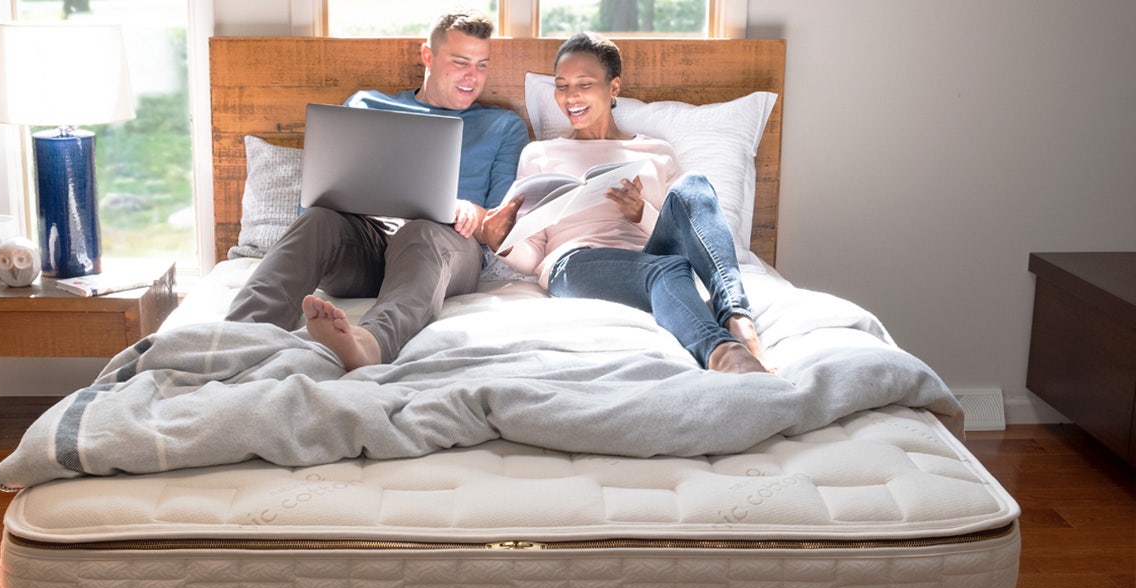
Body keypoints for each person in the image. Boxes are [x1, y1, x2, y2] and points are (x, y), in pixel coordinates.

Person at [225, 9, 529, 370]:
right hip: (368, 246)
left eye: (482, 65)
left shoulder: (503, 126)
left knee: (422, 230)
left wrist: (469, 210)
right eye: (461, 62)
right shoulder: (365, 105)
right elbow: (318, 197)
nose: (472, 76)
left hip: (445, 251)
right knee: (319, 220)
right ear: (428, 56)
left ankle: (371, 342)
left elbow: (500, 224)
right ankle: (235, 336)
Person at [478, 32, 770, 374]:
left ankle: (738, 319)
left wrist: (640, 213)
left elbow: (692, 237)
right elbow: (535, 255)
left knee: (695, 185)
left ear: (613, 87)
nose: (570, 97)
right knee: (667, 270)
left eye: (584, 84)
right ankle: (723, 354)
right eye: (561, 85)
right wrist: (502, 243)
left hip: (651, 254)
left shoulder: (656, 152)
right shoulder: (541, 154)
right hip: (576, 264)